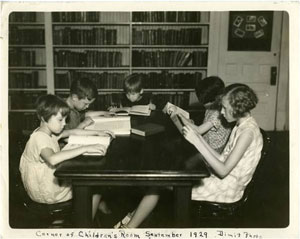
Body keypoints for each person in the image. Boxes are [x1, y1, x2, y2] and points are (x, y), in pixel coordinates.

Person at [114, 76, 232, 228]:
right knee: (166, 158)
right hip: (204, 150)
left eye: (204, 100)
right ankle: (135, 215)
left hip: (208, 157)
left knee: (161, 176)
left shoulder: (217, 113)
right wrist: (187, 120)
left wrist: (178, 114)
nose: (202, 103)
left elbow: (197, 131)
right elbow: (202, 130)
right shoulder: (213, 109)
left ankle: (131, 224)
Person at [19, 94, 114, 220]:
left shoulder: (47, 132)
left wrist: (98, 132)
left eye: (65, 119)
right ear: (44, 118)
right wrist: (85, 148)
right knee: (96, 186)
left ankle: (81, 220)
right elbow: (52, 159)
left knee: (92, 182)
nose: (64, 123)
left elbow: (72, 131)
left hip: (47, 186)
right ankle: (83, 224)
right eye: (60, 120)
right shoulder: (39, 138)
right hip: (47, 194)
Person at [182, 83, 263, 203]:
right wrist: (198, 138)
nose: (221, 112)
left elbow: (223, 171)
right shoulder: (241, 125)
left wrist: (196, 142)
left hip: (229, 189)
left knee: (178, 189)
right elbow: (222, 158)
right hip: (223, 181)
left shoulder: (247, 133)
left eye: (224, 108)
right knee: (180, 181)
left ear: (238, 108)